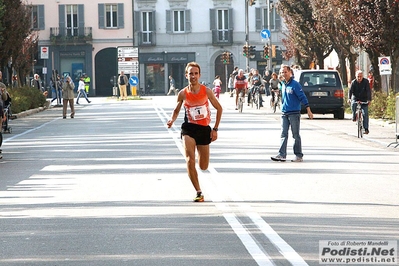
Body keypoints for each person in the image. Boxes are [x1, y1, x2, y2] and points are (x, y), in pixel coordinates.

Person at [166, 62, 222, 202]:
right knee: (190, 160)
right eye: (191, 73)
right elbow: (177, 109)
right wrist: (172, 120)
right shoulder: (183, 93)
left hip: (204, 129)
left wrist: (215, 129)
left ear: (199, 75)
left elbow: (219, 108)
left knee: (203, 166)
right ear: (186, 75)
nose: (193, 76)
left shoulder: (206, 91)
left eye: (196, 73)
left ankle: (199, 152)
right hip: (189, 129)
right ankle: (199, 192)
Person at [271, 65, 313, 162]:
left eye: (285, 72)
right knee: (283, 134)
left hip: (294, 113)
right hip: (284, 113)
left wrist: (308, 110)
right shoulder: (283, 84)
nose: (283, 74)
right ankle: (282, 154)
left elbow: (302, 97)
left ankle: (298, 155)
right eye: (282, 72)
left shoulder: (295, 84)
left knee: (295, 135)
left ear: (290, 72)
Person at [348, 70, 372, 134]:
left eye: (360, 76)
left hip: (364, 99)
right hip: (356, 98)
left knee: (365, 113)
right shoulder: (353, 82)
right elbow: (350, 91)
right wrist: (349, 99)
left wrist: (369, 100)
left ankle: (366, 128)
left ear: (362, 76)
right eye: (358, 76)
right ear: (356, 76)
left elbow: (368, 91)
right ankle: (354, 115)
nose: (359, 78)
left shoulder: (366, 82)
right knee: (353, 104)